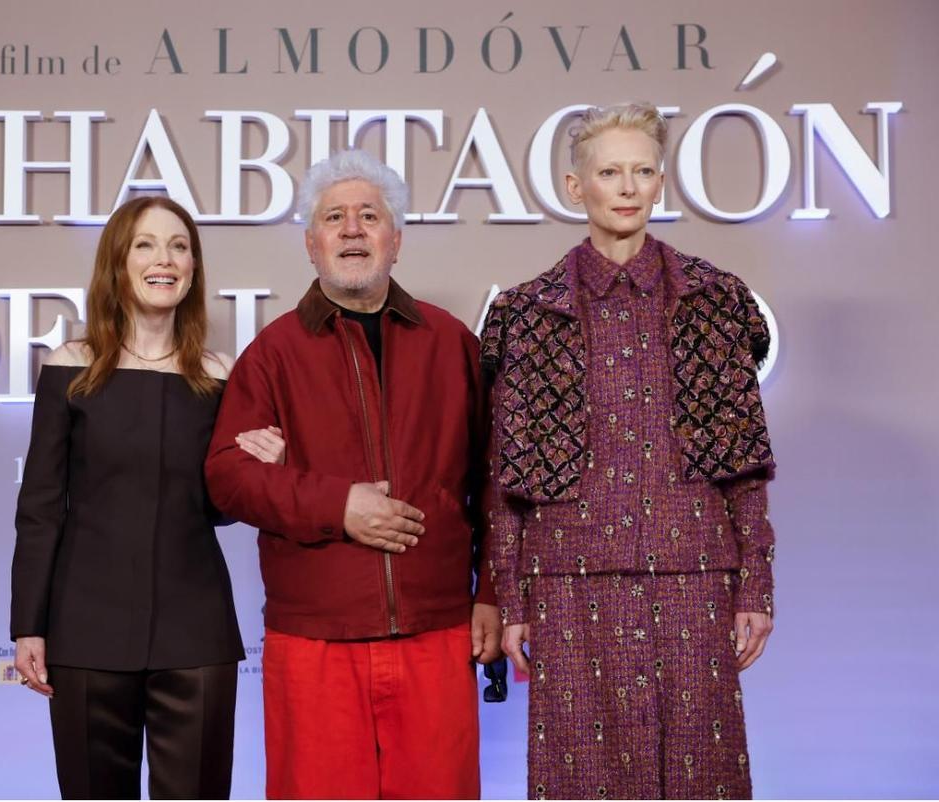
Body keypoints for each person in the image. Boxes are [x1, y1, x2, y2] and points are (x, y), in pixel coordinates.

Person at [481, 103, 776, 800]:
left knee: (702, 781)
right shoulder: (526, 314)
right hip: (568, 581)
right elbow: (503, 479)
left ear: (660, 182)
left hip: (697, 575)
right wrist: (510, 596)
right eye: (609, 171)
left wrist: (755, 583)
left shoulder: (715, 301)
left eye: (642, 171)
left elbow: (745, 465)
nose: (627, 186)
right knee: (579, 782)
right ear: (575, 186)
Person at [204, 149, 502, 800]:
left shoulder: (451, 343)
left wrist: (494, 594)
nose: (351, 229)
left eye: (369, 215)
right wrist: (336, 504)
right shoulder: (272, 354)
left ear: (395, 240)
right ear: (311, 244)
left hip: (437, 632)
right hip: (313, 643)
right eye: (333, 217)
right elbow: (227, 476)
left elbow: (498, 485)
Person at [9, 195, 284, 800]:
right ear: (118, 262)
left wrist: (262, 468)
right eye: (146, 244)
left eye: (180, 246)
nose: (166, 259)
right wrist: (29, 626)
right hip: (85, 628)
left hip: (195, 631)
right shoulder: (69, 368)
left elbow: (218, 506)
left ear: (193, 268)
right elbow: (42, 505)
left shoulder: (220, 375)